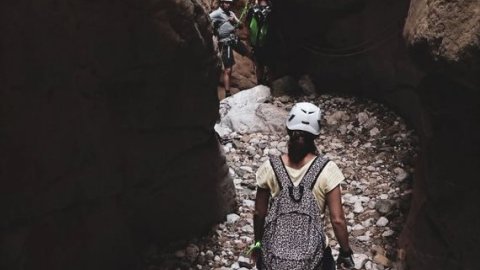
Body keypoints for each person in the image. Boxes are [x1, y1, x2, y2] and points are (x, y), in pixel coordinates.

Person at [250, 102, 355, 269]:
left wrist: (257, 243)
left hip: (274, 259)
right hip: (312, 259)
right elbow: (337, 220)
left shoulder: (270, 167)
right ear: (316, 135)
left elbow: (259, 213)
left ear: (288, 130)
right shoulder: (327, 169)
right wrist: (346, 252)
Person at [210, 0, 249, 97]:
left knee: (250, 53)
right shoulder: (217, 13)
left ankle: (261, 79)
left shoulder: (231, 13)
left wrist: (234, 20)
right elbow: (207, 19)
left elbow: (240, 26)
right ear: (222, 3)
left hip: (234, 40)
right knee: (228, 69)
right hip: (225, 42)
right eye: (226, 2)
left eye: (230, 3)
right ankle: (227, 93)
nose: (228, 4)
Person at [246, 0, 272, 85]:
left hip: (265, 42)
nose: (263, 8)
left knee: (265, 62)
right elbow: (247, 23)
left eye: (265, 6)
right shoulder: (253, 11)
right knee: (258, 63)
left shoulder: (269, 12)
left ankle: (266, 79)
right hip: (255, 42)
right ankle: (260, 81)